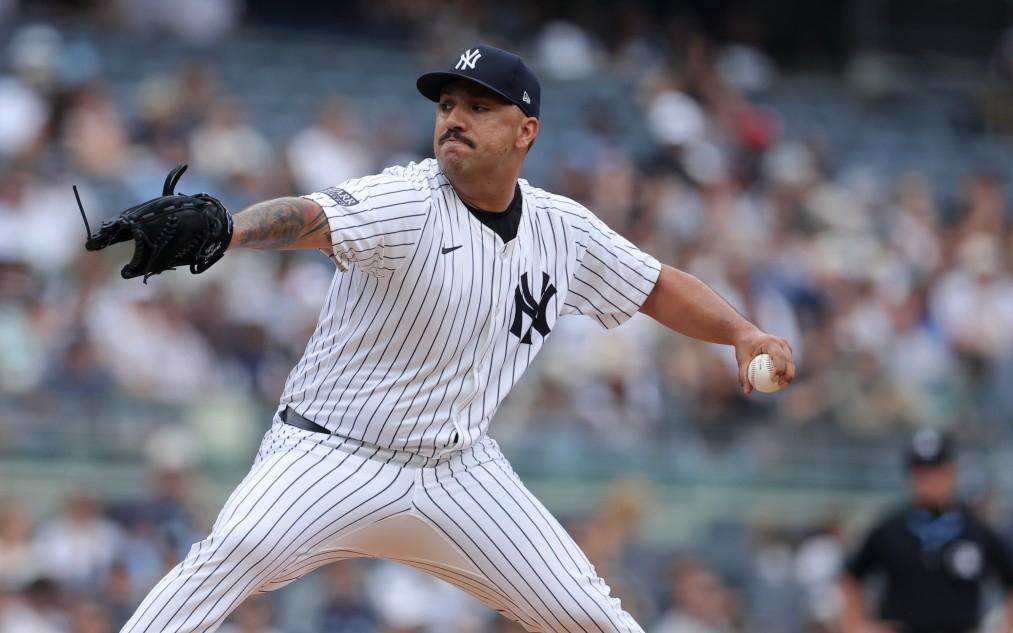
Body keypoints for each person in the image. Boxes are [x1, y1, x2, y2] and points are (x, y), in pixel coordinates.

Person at [118, 45, 795, 632]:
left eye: (479, 106)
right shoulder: (408, 198)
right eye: (447, 104)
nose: (454, 118)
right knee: (231, 551)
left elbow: (653, 284)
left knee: (590, 615)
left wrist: (739, 329)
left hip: (458, 471)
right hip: (328, 454)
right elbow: (311, 217)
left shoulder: (562, 229)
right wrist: (227, 230)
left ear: (525, 130)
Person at [839, 429, 1013, 633]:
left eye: (937, 470)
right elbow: (850, 578)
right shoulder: (889, 528)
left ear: (952, 471)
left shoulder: (977, 531)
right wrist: (856, 626)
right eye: (921, 472)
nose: (930, 481)